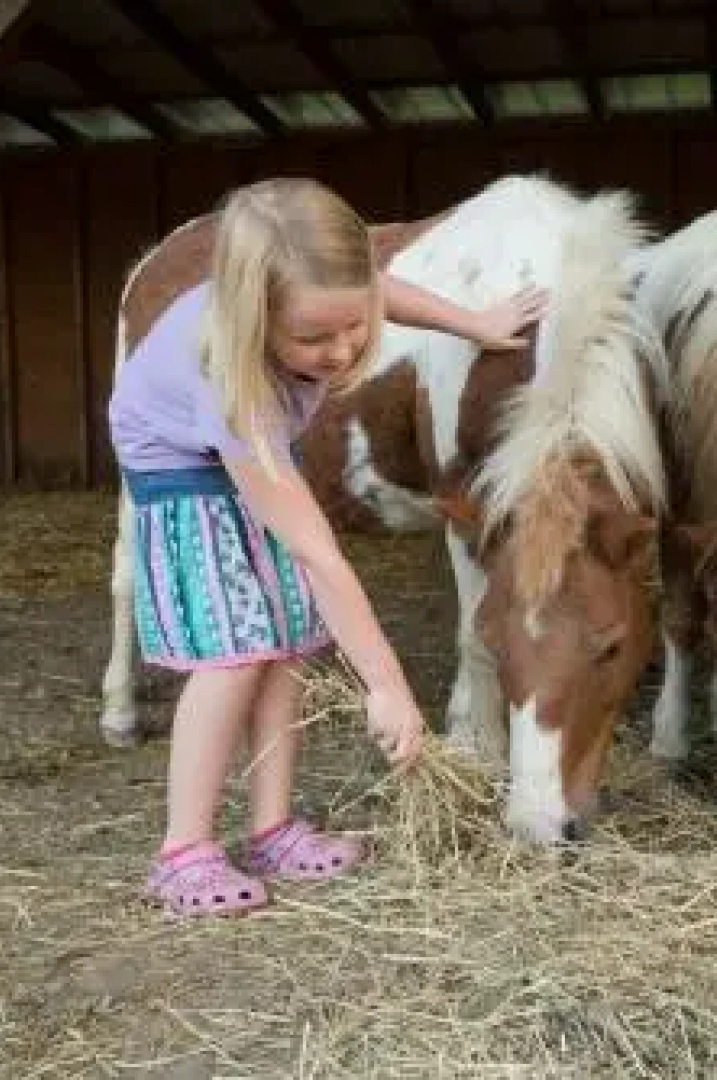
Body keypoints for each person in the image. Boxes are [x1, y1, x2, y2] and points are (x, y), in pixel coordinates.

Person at [108, 178, 548, 916]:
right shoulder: (235, 387)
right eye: (313, 338)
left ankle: (271, 828)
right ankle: (182, 850)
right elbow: (319, 553)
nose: (343, 350)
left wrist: (474, 323)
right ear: (253, 317)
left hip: (247, 456)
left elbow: (386, 293)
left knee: (287, 640)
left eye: (352, 327)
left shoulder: (335, 300)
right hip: (182, 471)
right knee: (234, 651)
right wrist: (388, 685)